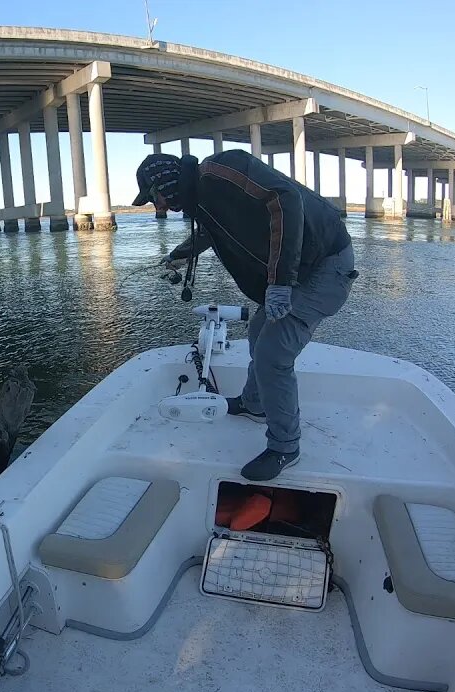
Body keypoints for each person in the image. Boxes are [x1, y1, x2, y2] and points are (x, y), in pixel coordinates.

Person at [132, 150, 358, 482]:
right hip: (299, 268)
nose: (160, 207)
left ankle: (285, 447)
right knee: (257, 331)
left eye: (155, 197)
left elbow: (285, 199)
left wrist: (280, 283)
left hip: (326, 264)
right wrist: (178, 255)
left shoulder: (223, 169)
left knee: (273, 353)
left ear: (165, 181)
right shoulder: (204, 200)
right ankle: (255, 404)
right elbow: (210, 233)